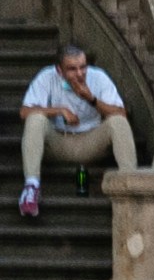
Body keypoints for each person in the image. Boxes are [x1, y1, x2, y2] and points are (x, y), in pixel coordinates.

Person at [14, 45, 136, 221]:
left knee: (117, 122)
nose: (79, 73)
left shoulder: (98, 77)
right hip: (58, 142)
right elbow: (24, 112)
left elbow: (121, 113)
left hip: (91, 141)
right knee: (35, 119)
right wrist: (59, 111)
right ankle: (31, 188)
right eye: (72, 69)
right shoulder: (47, 77)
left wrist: (91, 99)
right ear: (59, 70)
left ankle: (129, 184)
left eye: (83, 67)